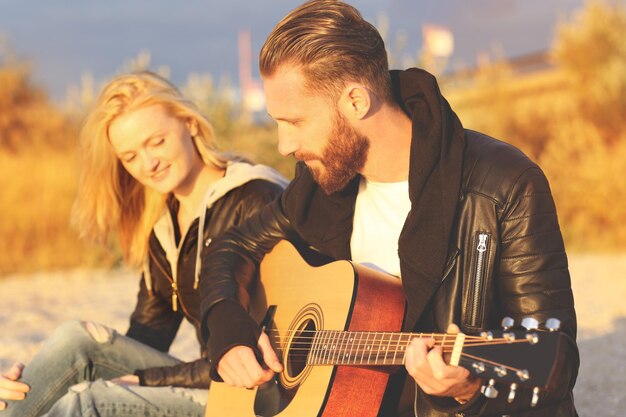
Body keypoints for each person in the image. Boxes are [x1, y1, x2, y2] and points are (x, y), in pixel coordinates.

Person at [197, 1, 580, 416]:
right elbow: (232, 245)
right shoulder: (321, 185)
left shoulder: (504, 184)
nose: (283, 145)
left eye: (295, 122)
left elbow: (554, 361)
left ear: (356, 101)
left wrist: (470, 390)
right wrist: (228, 328)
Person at [0, 71, 287, 417]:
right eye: (130, 157)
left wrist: (147, 379)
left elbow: (278, 334)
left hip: (252, 391)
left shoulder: (256, 197)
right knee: (75, 340)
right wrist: (40, 379)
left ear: (190, 124)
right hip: (205, 379)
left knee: (85, 402)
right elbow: (147, 337)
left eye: (157, 141)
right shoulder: (163, 226)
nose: (148, 164)